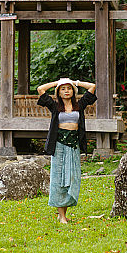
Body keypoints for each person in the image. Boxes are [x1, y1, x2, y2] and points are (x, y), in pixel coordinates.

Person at [36, 77, 96, 224]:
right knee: (59, 178)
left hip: (74, 144)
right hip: (59, 145)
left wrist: (75, 83)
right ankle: (61, 215)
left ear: (73, 91)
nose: (66, 91)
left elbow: (92, 87)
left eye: (68, 89)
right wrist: (58, 83)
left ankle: (63, 213)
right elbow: (40, 89)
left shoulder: (79, 105)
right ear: (59, 93)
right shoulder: (55, 106)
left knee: (71, 177)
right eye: (63, 89)